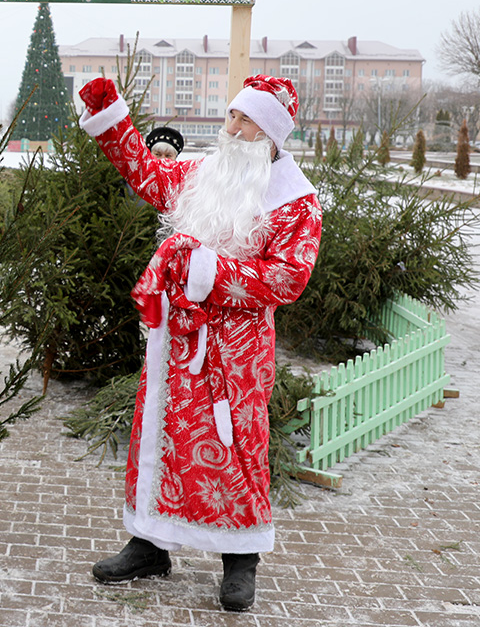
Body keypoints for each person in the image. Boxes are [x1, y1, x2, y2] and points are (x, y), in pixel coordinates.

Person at [76, 75, 322, 611]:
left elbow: (288, 279)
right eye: (231, 115)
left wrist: (205, 268)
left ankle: (241, 559)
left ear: (272, 133)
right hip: (178, 341)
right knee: (161, 430)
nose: (231, 128)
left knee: (237, 445)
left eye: (245, 120)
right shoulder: (205, 173)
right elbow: (147, 174)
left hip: (238, 353)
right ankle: (150, 543)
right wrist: (111, 120)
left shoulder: (296, 202)